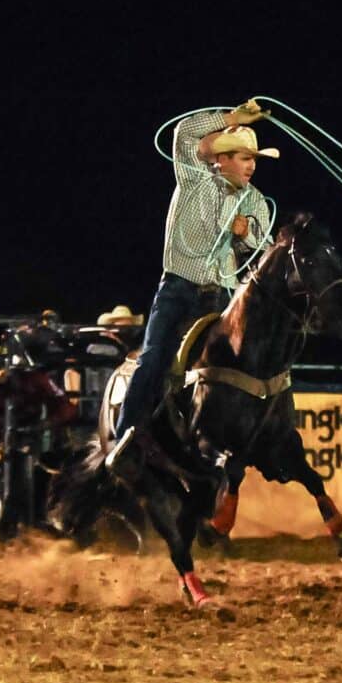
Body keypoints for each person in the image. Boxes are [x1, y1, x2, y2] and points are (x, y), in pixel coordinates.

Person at [106, 99, 275, 472]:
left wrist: (246, 235)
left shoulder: (256, 202)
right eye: (244, 158)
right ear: (222, 159)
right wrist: (233, 118)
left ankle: (234, 441)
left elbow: (264, 248)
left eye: (254, 159)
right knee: (154, 358)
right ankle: (124, 441)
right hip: (179, 290)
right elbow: (183, 133)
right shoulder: (194, 178)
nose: (251, 165)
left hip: (223, 299)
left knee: (243, 370)